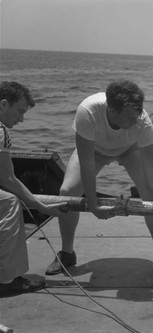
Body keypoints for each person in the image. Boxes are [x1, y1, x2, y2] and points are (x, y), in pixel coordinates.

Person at [44, 80, 153, 281]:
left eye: (137, 116)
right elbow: (87, 164)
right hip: (95, 151)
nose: (135, 122)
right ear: (112, 110)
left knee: (151, 195)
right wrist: (93, 205)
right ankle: (67, 253)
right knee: (67, 192)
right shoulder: (88, 111)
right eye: (129, 118)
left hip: (130, 149)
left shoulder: (142, 121)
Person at [0, 81, 67, 295]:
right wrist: (42, 207)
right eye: (19, 111)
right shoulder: (1, 132)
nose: (21, 119)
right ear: (3, 105)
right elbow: (8, 178)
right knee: (10, 202)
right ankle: (7, 279)